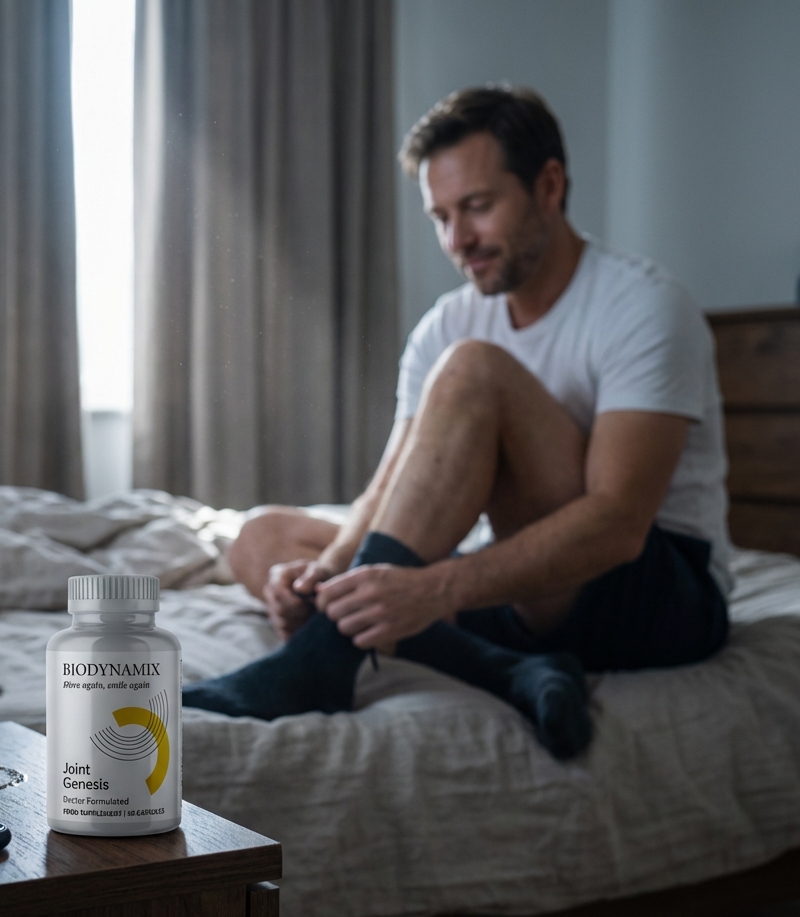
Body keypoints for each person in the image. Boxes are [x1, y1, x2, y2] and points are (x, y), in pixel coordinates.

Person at [182, 85, 730, 760]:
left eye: (476, 206)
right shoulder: (447, 318)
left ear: (549, 185)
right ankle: (510, 669)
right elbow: (384, 493)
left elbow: (618, 525)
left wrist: (436, 587)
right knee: (262, 538)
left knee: (473, 369)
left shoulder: (643, 305)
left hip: (651, 594)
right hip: (518, 587)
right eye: (440, 216)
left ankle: (320, 664)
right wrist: (325, 575)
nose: (457, 239)